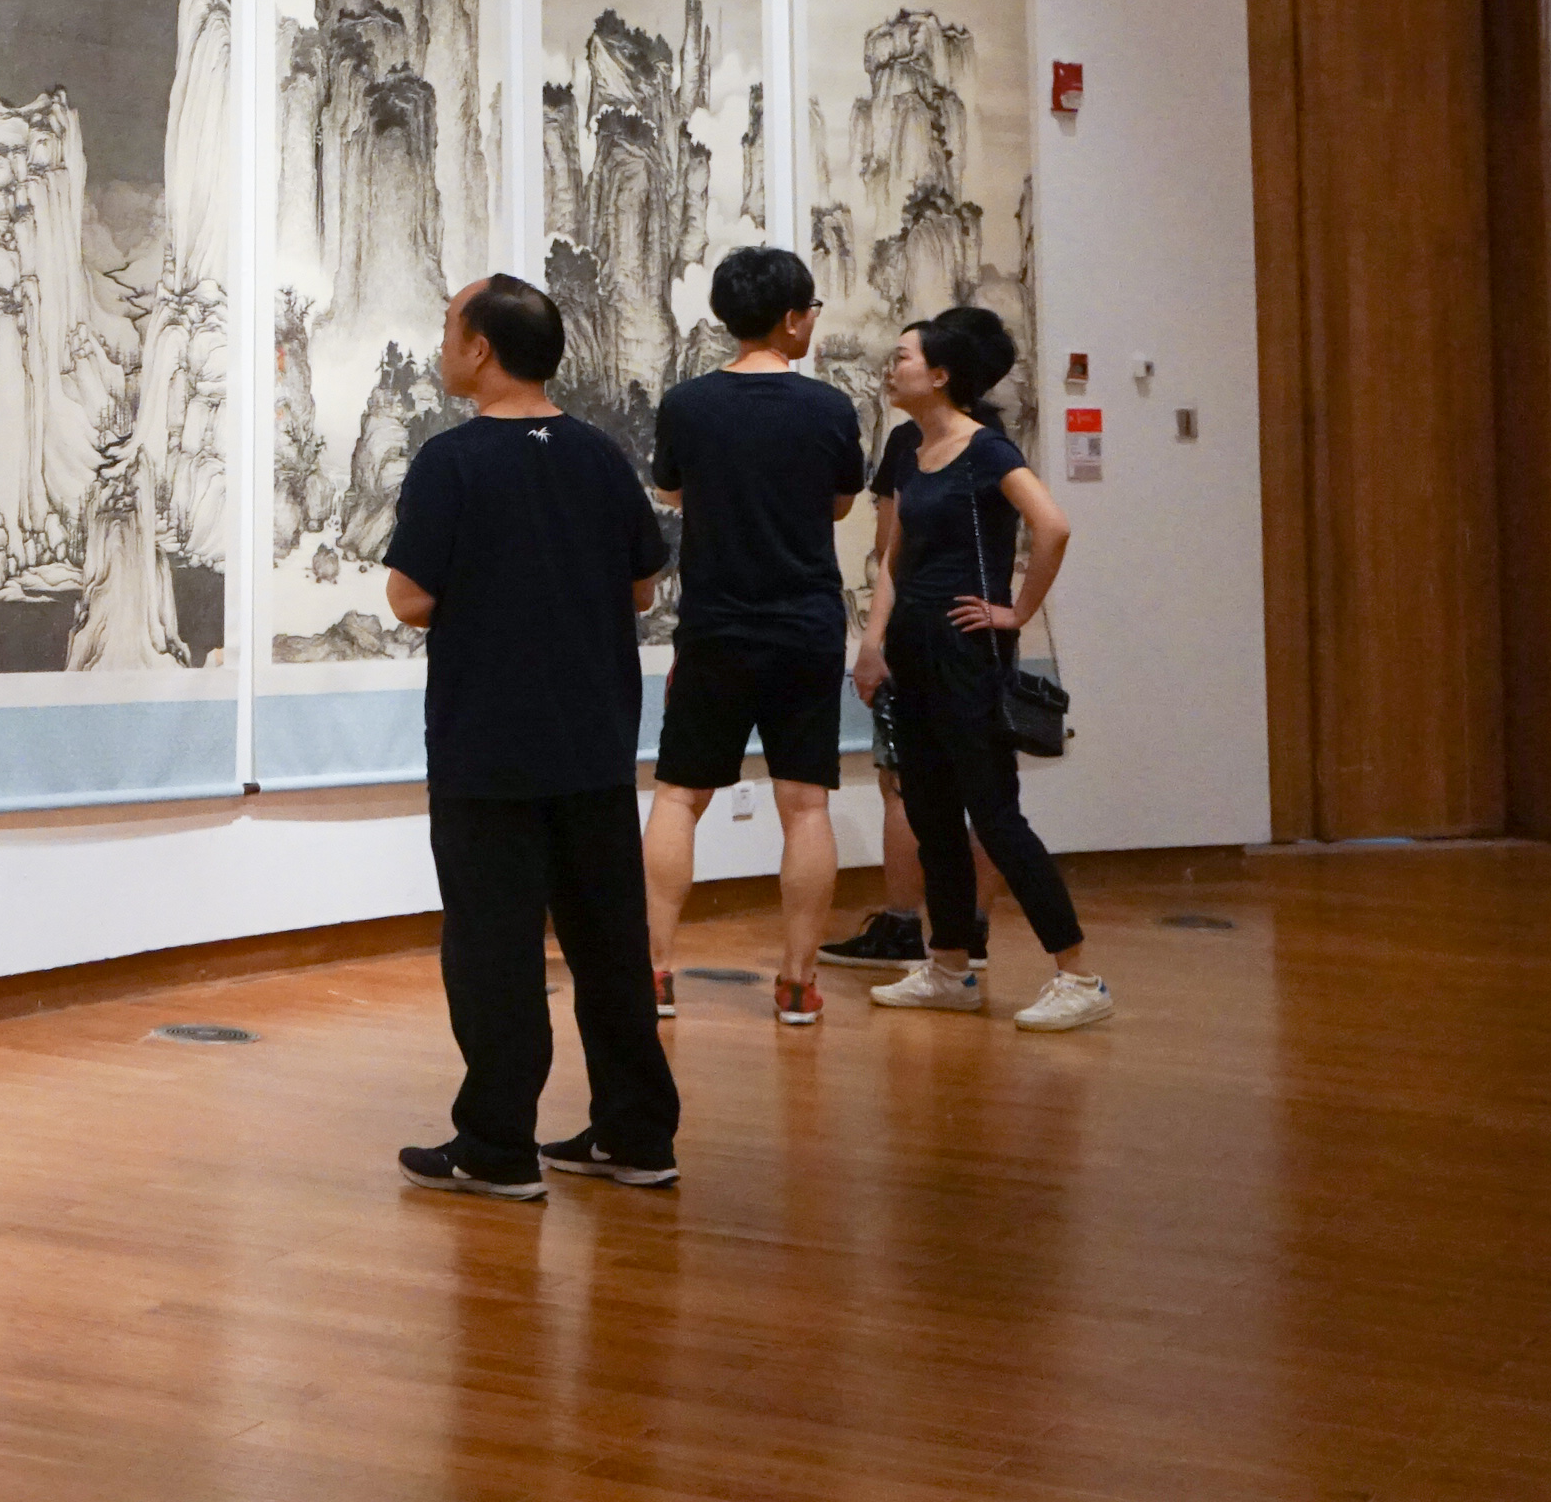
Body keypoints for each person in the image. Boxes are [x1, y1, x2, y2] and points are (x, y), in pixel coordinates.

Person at [385, 275, 682, 1199]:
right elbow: (643, 587)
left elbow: (410, 598)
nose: (443, 343)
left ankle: (497, 1144)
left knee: (495, 952)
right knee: (611, 947)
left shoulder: (452, 461)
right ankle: (638, 1135)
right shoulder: (599, 454)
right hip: (594, 738)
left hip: (487, 744)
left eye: (450, 327)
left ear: (480, 349)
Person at [852, 304, 1112, 1031]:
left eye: (903, 357)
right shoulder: (912, 449)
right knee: (932, 815)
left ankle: (1079, 976)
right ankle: (950, 968)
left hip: (967, 654)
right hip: (914, 652)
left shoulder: (987, 449)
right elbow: (895, 557)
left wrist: (1017, 610)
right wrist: (874, 642)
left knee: (995, 817)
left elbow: (1053, 526)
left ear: (940, 375)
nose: (891, 367)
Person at [642, 247, 871, 1025]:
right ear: (792, 318)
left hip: (715, 625)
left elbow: (671, 489)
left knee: (679, 797)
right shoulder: (829, 408)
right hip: (805, 628)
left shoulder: (688, 404)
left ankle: (655, 971)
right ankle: (798, 982)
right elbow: (840, 504)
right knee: (805, 807)